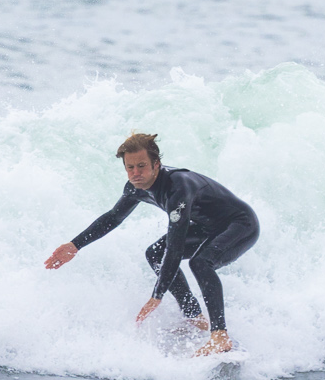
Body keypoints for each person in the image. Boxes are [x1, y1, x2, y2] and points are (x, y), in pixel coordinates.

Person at [44, 132, 259, 357]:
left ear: (156, 164)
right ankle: (194, 317)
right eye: (130, 167)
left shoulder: (178, 188)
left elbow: (175, 247)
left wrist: (157, 295)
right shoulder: (135, 187)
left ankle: (220, 336)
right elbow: (113, 218)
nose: (135, 173)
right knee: (155, 253)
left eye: (141, 166)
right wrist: (75, 245)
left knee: (201, 263)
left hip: (240, 225)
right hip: (208, 227)